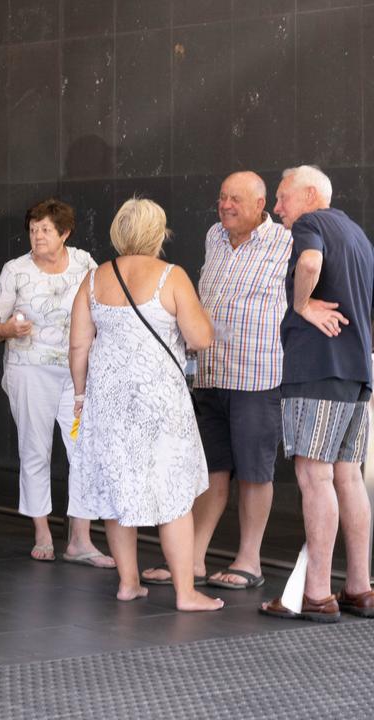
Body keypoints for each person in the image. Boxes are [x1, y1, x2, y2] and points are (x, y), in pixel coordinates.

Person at [69, 197, 223, 612]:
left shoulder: (94, 278)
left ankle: (128, 583)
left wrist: (81, 397)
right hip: (159, 403)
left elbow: (79, 344)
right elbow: (200, 338)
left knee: (119, 494)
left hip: (108, 402)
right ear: (159, 234)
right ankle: (186, 593)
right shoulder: (171, 277)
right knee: (172, 494)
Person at [141, 172, 291, 591]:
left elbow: (315, 283)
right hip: (210, 373)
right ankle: (192, 559)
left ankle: (250, 561)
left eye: (236, 200)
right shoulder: (214, 236)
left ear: (261, 204)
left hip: (257, 377)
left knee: (255, 473)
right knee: (210, 471)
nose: (225, 205)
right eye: (222, 197)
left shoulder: (286, 242)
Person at [260, 166, 374, 622]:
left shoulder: (312, 224)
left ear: (309, 195)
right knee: (348, 477)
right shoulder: (359, 236)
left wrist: (302, 304)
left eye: (283, 197)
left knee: (315, 478)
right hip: (356, 374)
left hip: (317, 372)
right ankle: (361, 589)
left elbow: (308, 263)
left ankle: (318, 593)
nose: (277, 207)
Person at [0, 199, 114, 568]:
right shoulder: (15, 270)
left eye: (45, 230)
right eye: (33, 229)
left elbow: (104, 308)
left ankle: (81, 539)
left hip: (77, 373)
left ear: (65, 233)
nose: (37, 237)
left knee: (83, 450)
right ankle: (41, 531)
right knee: (35, 450)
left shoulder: (86, 264)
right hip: (29, 371)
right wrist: (8, 329)